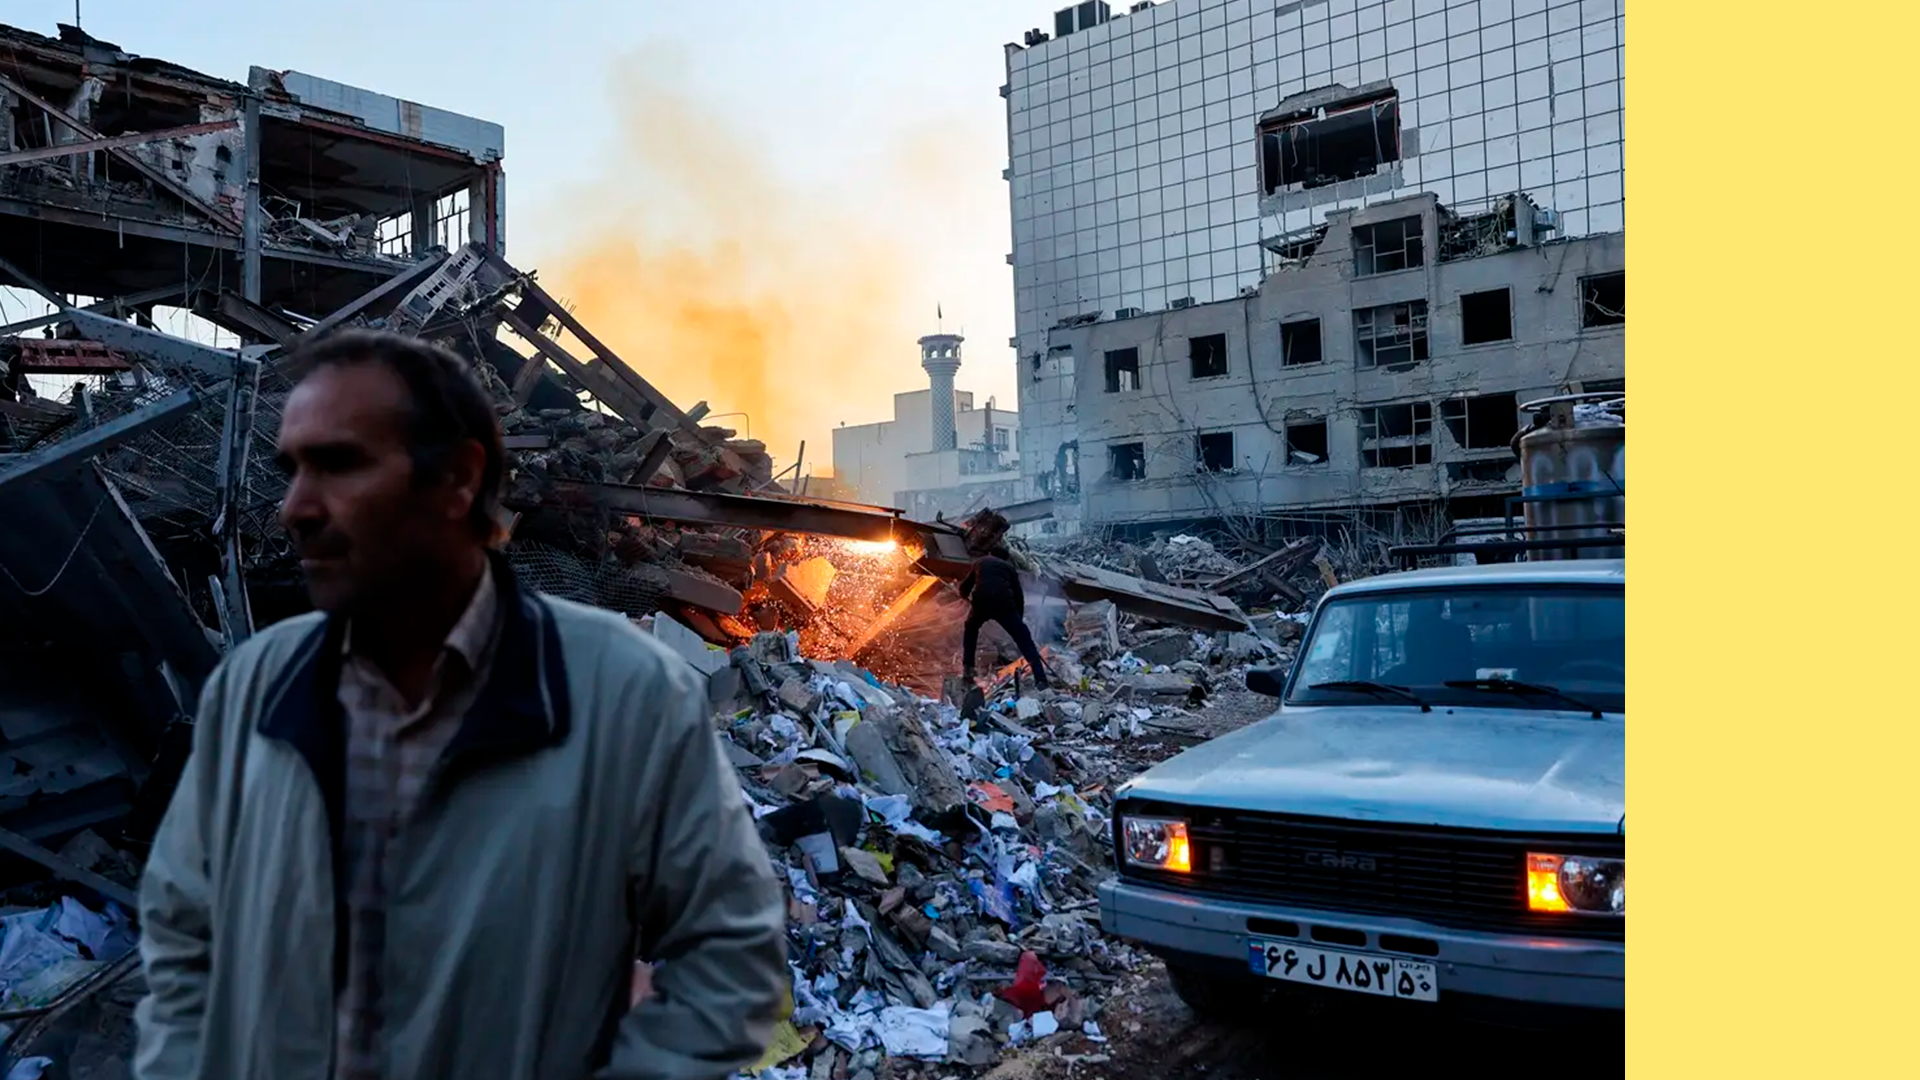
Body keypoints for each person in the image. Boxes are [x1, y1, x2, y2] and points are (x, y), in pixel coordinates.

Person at [133, 330, 787, 1080]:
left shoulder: (624, 690)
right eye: (293, 472)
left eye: (340, 466)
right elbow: (184, 927)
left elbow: (731, 954)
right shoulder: (256, 683)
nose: (295, 509)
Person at [958, 546, 1050, 690]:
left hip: (981, 603)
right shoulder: (1009, 568)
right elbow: (1019, 596)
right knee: (1025, 641)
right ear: (1005, 558)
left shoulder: (981, 562)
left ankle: (968, 670)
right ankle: (1041, 679)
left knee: (971, 629)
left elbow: (965, 587)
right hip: (1004, 605)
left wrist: (964, 596)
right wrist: (1018, 619)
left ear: (990, 553)